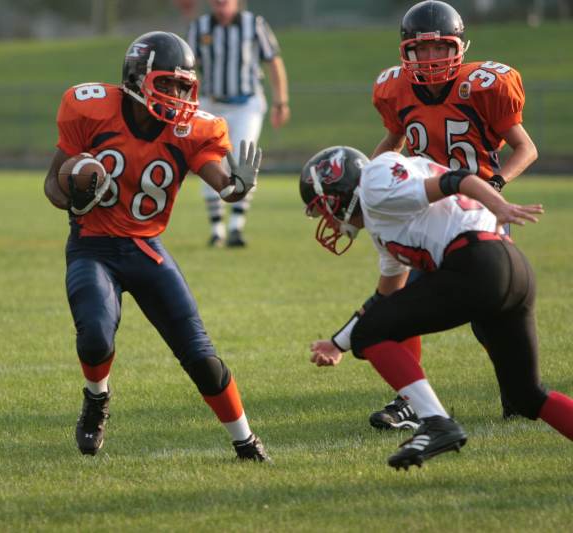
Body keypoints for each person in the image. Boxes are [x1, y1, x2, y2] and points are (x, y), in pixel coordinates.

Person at [43, 31, 270, 461]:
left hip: (146, 249)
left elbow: (221, 183)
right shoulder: (90, 109)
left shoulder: (191, 129)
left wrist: (237, 188)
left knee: (200, 355)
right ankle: (97, 400)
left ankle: (245, 440)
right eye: (166, 84)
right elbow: (51, 185)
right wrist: (74, 192)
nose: (176, 95)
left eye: (183, 87)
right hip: (92, 246)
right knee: (94, 335)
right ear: (136, 77)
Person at [300, 146, 573, 469]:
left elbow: (458, 180)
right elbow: (385, 298)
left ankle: (436, 423)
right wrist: (337, 343)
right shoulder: (383, 216)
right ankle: (435, 421)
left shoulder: (375, 185)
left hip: (477, 263)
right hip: (511, 269)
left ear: (339, 190)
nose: (326, 219)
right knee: (528, 396)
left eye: (323, 207)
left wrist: (499, 205)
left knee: (370, 335)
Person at [368, 0, 538, 428]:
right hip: (427, 211)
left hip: (476, 214)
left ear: (459, 47)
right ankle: (409, 399)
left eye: (440, 48)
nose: (430, 59)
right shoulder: (397, 90)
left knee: (489, 317)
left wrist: (495, 188)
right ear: (406, 52)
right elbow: (391, 144)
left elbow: (526, 148)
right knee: (405, 301)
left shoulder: (483, 86)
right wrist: (369, 181)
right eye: (421, 50)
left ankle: (517, 395)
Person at [186, 0, 290, 247]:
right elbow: (187, 68)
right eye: (217, 3)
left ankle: (236, 226)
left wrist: (281, 102)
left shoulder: (253, 25)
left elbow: (274, 61)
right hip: (211, 103)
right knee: (210, 159)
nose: (222, 8)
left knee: (243, 157)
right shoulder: (199, 27)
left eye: (226, 2)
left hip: (246, 104)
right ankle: (216, 228)